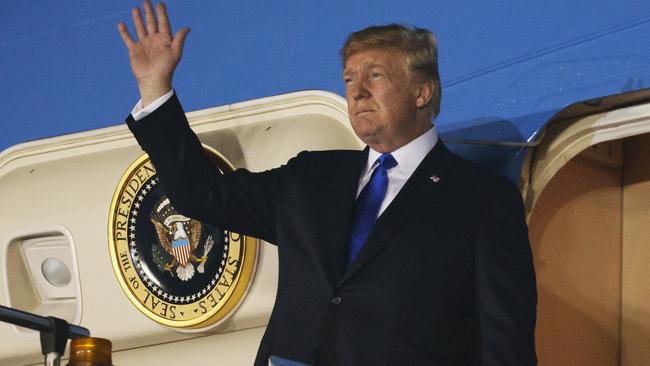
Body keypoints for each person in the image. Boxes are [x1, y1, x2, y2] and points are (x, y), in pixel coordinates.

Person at [118, 1, 537, 365]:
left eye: (374, 76)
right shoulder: (310, 177)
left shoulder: (481, 200)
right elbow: (202, 194)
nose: (356, 93)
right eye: (350, 80)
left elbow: (506, 346)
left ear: (422, 92)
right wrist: (155, 88)